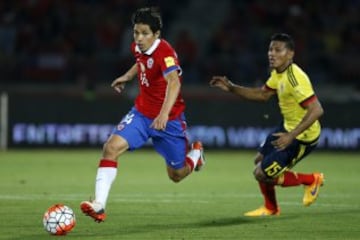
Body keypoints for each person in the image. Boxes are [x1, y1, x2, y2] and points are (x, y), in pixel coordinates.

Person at [80, 7, 205, 222]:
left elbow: (174, 83)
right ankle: (99, 205)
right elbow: (141, 63)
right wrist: (127, 76)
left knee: (176, 175)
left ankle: (195, 155)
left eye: (145, 33)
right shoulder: (139, 47)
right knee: (110, 148)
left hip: (169, 120)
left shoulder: (165, 52)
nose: (139, 38)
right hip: (141, 113)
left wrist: (164, 114)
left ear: (157, 35)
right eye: (136, 32)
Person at [209, 33, 324, 216]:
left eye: (278, 50)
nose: (271, 53)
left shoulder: (295, 78)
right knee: (260, 161)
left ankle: (312, 179)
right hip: (286, 128)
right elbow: (262, 95)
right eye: (270, 49)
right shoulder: (277, 74)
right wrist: (232, 87)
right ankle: (271, 208)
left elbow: (317, 110)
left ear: (290, 54)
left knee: (261, 174)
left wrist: (291, 136)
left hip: (302, 137)